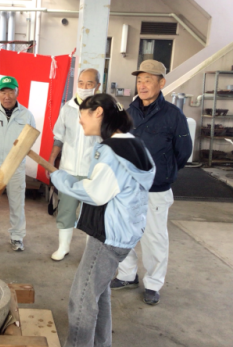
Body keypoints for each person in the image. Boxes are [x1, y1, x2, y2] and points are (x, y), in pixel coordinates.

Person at [50, 94, 155, 347]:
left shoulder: (111, 150)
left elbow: (95, 193)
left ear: (98, 112)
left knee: (81, 298)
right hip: (125, 231)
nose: (80, 120)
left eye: (82, 114)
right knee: (99, 294)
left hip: (108, 237)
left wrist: (60, 178)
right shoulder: (134, 143)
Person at [111, 60, 192, 305]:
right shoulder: (128, 112)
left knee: (154, 238)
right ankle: (127, 275)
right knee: (123, 233)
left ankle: (153, 283)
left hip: (156, 189)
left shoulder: (173, 115)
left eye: (148, 79)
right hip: (128, 187)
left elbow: (183, 152)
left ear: (161, 83)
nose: (142, 85)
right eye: (139, 80)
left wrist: (163, 171)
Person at [47, 68, 102, 261]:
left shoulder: (102, 111)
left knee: (91, 213)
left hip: (92, 172)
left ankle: (90, 252)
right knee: (66, 210)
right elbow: (59, 137)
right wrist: (52, 159)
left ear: (98, 86)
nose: (84, 87)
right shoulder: (67, 108)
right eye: (81, 83)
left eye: (89, 84)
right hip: (68, 170)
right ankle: (63, 247)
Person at [0, 76, 36, 251]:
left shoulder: (26, 115)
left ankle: (17, 237)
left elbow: (30, 139)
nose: (7, 96)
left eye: (11, 91)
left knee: (17, 203)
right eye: (3, 91)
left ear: (17, 92)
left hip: (16, 166)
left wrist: (16, 156)